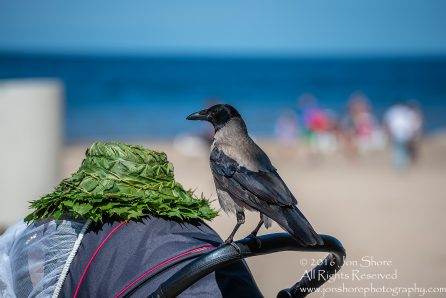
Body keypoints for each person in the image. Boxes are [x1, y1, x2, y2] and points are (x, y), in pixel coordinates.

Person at [384, 102, 422, 169]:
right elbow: (411, 123)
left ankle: (398, 165)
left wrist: (388, 134)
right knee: (402, 149)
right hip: (404, 133)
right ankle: (401, 165)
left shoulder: (392, 111)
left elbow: (387, 123)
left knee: (398, 149)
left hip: (397, 132)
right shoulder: (405, 111)